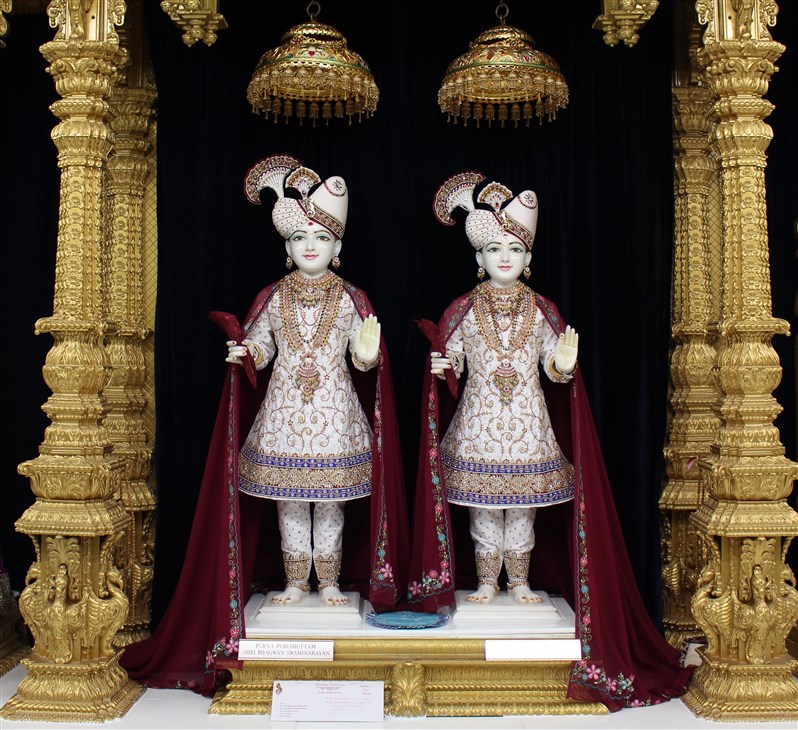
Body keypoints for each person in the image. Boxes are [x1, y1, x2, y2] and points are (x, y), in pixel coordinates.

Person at [121, 155, 408, 693]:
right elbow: (262, 345)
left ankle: (329, 582)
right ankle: (297, 581)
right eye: (299, 238)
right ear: (285, 247)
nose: (309, 246)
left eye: (320, 237)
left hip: (335, 418)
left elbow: (363, 354)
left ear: (338, 246)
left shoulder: (353, 298)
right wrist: (246, 351)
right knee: (289, 501)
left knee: (331, 502)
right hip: (282, 419)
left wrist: (368, 355)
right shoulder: (272, 297)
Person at [409, 171, 692, 710]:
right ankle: (487, 582)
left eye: (514, 249)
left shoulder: (542, 311)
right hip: (479, 426)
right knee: (482, 510)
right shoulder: (463, 308)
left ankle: (518, 581)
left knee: (524, 510)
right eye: (495, 249)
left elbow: (552, 365)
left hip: (528, 426)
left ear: (529, 255)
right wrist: (444, 364)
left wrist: (561, 363)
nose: (505, 258)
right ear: (479, 257)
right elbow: (453, 358)